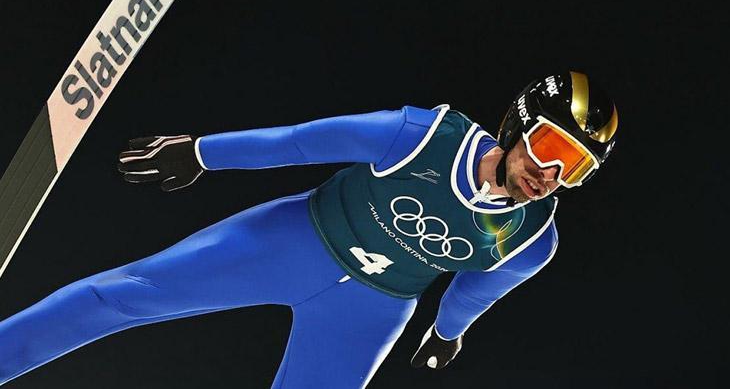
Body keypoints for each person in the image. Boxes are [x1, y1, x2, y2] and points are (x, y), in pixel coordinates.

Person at [0, 71, 618, 388]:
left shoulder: (532, 240)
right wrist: (201, 153)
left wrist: (446, 334)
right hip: (293, 240)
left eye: (575, 167)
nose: (550, 174)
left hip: (371, 313)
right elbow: (298, 143)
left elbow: (473, 292)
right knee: (121, 295)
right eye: (550, 147)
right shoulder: (422, 138)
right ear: (519, 122)